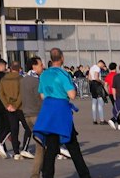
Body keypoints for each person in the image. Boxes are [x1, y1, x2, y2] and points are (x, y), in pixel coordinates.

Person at [31, 48, 92, 178]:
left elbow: (42, 95)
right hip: (61, 111)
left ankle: (47, 175)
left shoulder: (44, 75)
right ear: (62, 58)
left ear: (51, 59)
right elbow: (72, 94)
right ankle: (84, 175)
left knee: (51, 148)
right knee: (73, 146)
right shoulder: (63, 74)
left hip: (48, 111)